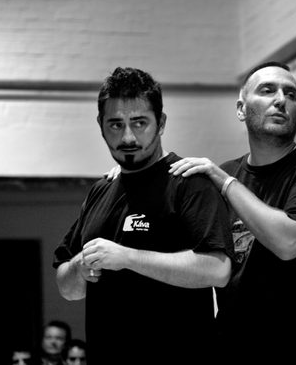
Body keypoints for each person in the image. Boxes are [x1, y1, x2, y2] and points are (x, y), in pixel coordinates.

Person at [166, 61, 296, 364]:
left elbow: (288, 242)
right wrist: (125, 178)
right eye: (267, 90)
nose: (281, 100)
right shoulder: (226, 174)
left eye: (291, 94)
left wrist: (224, 182)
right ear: (241, 109)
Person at [53, 67, 234, 364]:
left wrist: (127, 257)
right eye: (115, 124)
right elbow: (66, 286)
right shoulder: (101, 191)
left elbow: (218, 269)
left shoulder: (188, 183)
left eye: (139, 123)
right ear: (100, 125)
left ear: (161, 123)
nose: (128, 137)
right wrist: (80, 266)